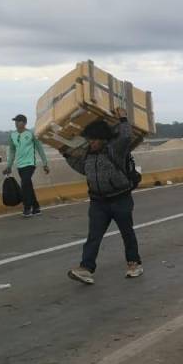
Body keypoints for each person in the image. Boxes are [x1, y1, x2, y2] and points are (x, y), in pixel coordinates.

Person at [62, 109, 142, 284]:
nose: (91, 143)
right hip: (98, 202)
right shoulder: (89, 155)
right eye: (89, 140)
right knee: (94, 236)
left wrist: (123, 118)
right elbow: (82, 169)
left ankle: (134, 264)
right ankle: (86, 268)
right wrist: (66, 154)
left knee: (127, 233)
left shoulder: (115, 150)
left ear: (103, 138)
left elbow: (126, 137)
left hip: (120, 199)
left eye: (94, 139)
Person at [3, 114, 50, 217]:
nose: (16, 123)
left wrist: (45, 164)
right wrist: (9, 166)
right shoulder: (12, 135)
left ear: (24, 123)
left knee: (25, 184)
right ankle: (36, 207)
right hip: (20, 165)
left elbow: (40, 149)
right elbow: (12, 151)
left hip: (30, 164)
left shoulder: (31, 134)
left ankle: (27, 208)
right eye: (15, 121)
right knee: (28, 185)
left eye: (18, 121)